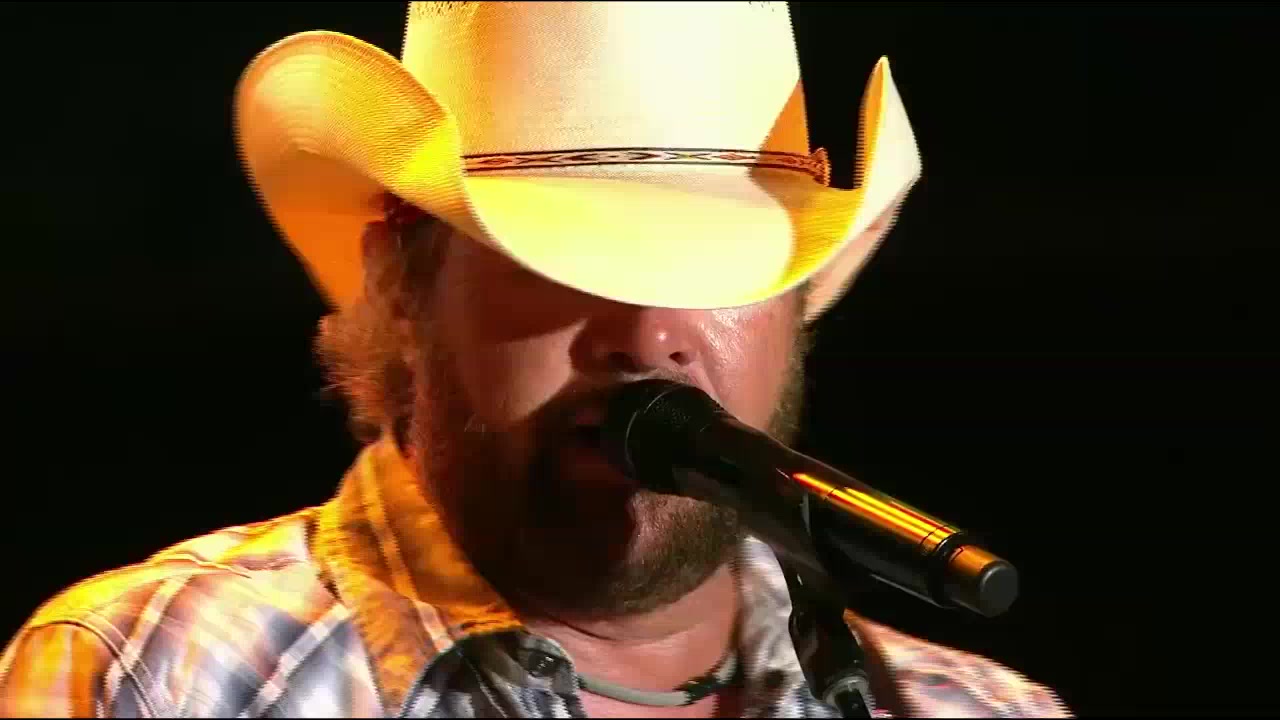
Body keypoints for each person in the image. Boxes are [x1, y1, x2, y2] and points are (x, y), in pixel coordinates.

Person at [0, 3, 1070, 718]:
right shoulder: (159, 672)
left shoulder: (973, 710)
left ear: (795, 307)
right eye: (560, 259)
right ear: (401, 282)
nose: (644, 334)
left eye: (719, 264)